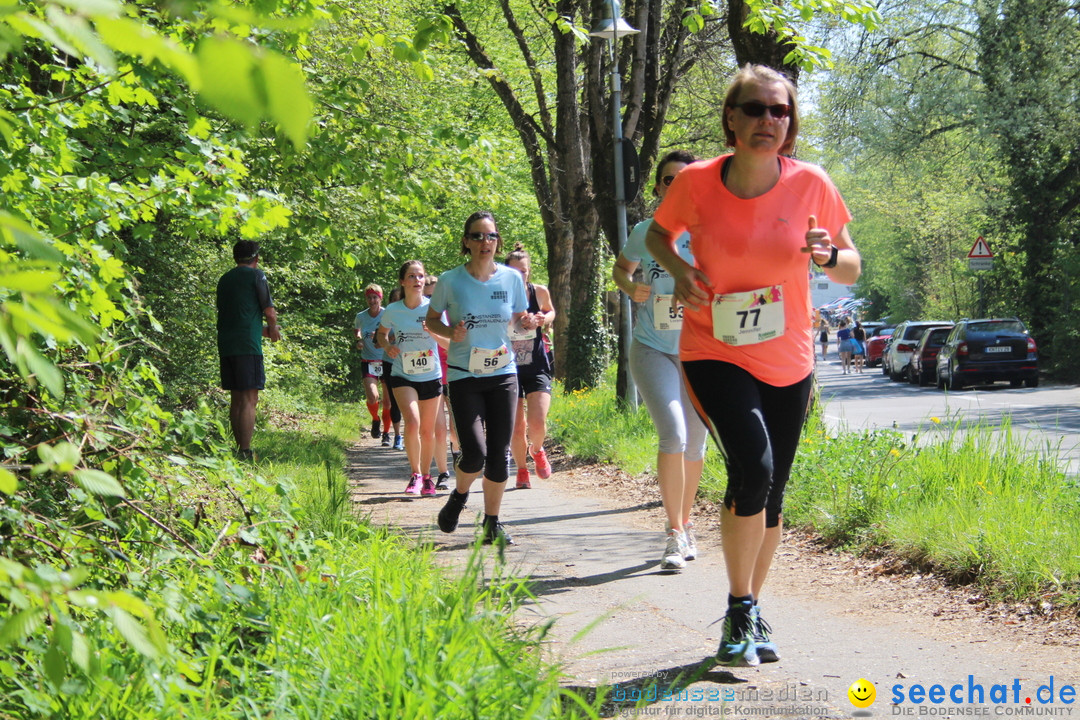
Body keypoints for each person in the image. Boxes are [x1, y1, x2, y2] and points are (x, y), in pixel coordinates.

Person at [645, 64, 861, 666]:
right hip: (713, 348)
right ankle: (739, 605)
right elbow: (659, 237)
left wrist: (829, 255)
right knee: (754, 468)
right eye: (757, 109)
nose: (770, 120)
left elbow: (850, 266)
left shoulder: (812, 183)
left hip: (788, 355)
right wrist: (684, 273)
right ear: (732, 119)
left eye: (780, 111)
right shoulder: (694, 182)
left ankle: (751, 610)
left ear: (789, 124)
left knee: (774, 490)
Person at [612, 150, 709, 572]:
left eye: (686, 179)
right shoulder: (645, 231)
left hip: (702, 351)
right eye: (669, 180)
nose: (677, 186)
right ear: (657, 188)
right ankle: (673, 533)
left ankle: (685, 524)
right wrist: (629, 287)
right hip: (653, 347)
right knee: (673, 433)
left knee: (696, 442)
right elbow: (620, 269)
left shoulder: (714, 232)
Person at [426, 211, 532, 545]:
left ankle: (492, 522)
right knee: (474, 454)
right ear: (466, 242)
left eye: (490, 236)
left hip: (504, 373)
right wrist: (450, 331)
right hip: (464, 375)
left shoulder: (512, 279)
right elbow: (430, 321)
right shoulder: (450, 280)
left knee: (499, 455)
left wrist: (528, 323)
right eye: (477, 236)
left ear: (497, 241)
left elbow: (516, 324)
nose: (484, 243)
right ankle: (458, 496)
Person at [376, 260, 447, 497]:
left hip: (431, 375)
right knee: (413, 422)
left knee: (428, 432)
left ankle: (427, 477)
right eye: (412, 276)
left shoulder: (434, 309)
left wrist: (434, 333)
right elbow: (381, 335)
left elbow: (449, 343)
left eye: (420, 276)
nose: (417, 280)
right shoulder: (394, 310)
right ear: (403, 281)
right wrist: (387, 347)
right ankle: (415, 474)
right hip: (402, 374)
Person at [216, 240, 281, 460]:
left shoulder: (224, 280)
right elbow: (269, 312)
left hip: (227, 343)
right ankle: (245, 451)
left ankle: (238, 449)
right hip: (248, 346)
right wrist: (273, 329)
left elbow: (239, 318)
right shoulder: (257, 276)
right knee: (249, 399)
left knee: (237, 398)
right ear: (256, 258)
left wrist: (263, 330)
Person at [504, 243, 556, 490]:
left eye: (523, 272)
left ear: (529, 272)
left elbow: (550, 311)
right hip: (507, 367)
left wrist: (543, 319)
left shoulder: (539, 292)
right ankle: (522, 470)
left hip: (536, 365)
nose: (519, 276)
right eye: (514, 272)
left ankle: (537, 450)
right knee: (517, 426)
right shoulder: (498, 295)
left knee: (537, 423)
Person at [424, 275, 454, 490]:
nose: (431, 299)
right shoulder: (417, 314)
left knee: (456, 428)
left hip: (454, 373)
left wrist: (434, 333)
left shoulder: (449, 314)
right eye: (427, 295)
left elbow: (453, 344)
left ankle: (459, 459)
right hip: (430, 375)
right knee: (438, 429)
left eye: (435, 295)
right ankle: (443, 472)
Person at [354, 284, 391, 440]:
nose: (372, 300)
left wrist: (384, 340)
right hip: (368, 360)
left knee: (388, 401)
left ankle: (387, 433)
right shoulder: (361, 316)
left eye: (375, 297)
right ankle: (375, 419)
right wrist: (359, 340)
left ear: (380, 298)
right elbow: (357, 331)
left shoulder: (387, 314)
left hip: (386, 360)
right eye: (369, 297)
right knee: (372, 397)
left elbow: (395, 333)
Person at [382, 286, 405, 450]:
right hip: (390, 361)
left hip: (410, 362)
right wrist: (391, 338)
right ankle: (397, 435)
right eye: (394, 300)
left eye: (400, 299)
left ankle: (416, 434)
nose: (397, 303)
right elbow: (379, 339)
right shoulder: (387, 315)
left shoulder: (413, 313)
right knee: (393, 401)